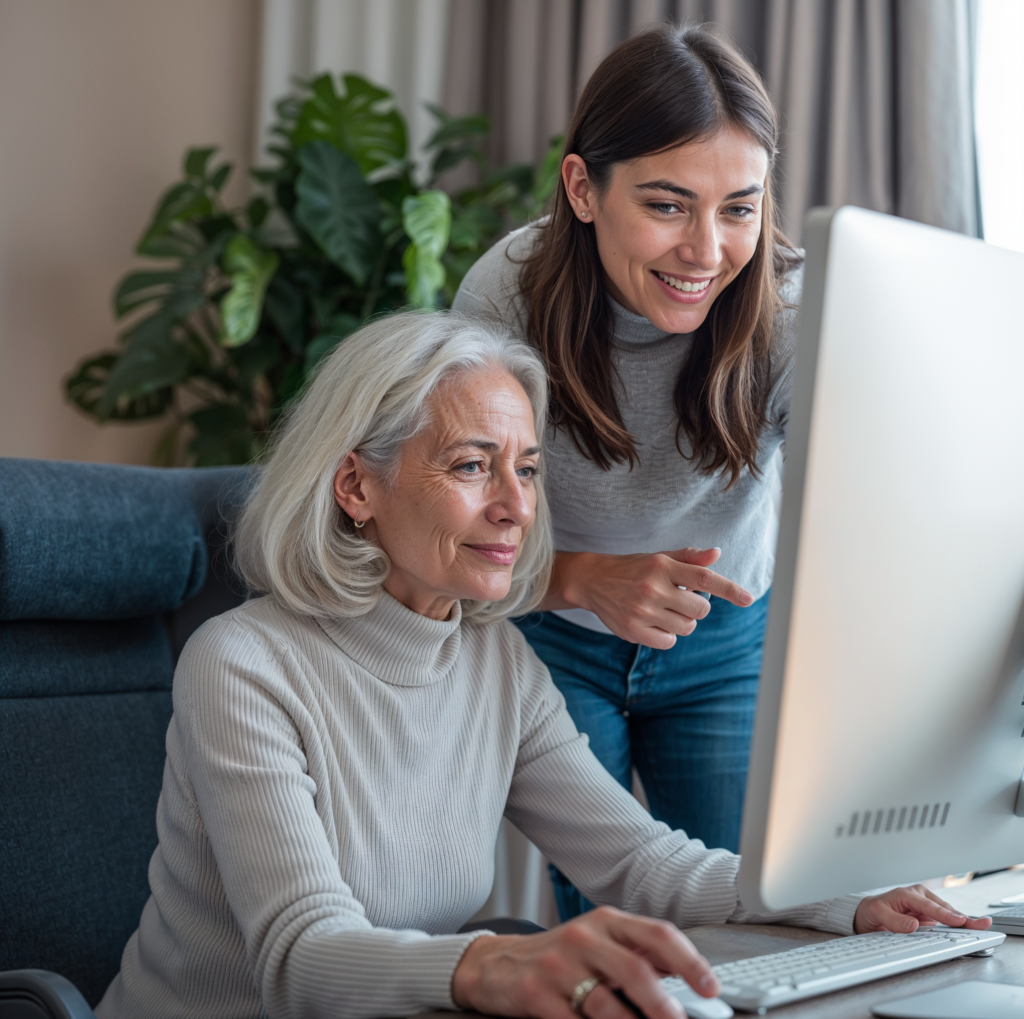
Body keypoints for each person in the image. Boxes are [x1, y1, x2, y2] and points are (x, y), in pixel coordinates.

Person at [96, 311, 989, 1019]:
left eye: (525, 470)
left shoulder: (496, 661)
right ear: (357, 487)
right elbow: (302, 960)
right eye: (470, 465)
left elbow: (649, 867)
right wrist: (500, 962)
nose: (514, 507)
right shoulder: (244, 665)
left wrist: (848, 902)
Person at [452, 23, 801, 916]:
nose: (707, 252)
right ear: (582, 187)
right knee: (605, 907)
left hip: (724, 640)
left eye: (739, 208)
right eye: (667, 204)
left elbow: (872, 503)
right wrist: (584, 580)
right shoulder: (505, 297)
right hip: (553, 625)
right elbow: (457, 525)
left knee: (739, 901)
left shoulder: (791, 314)